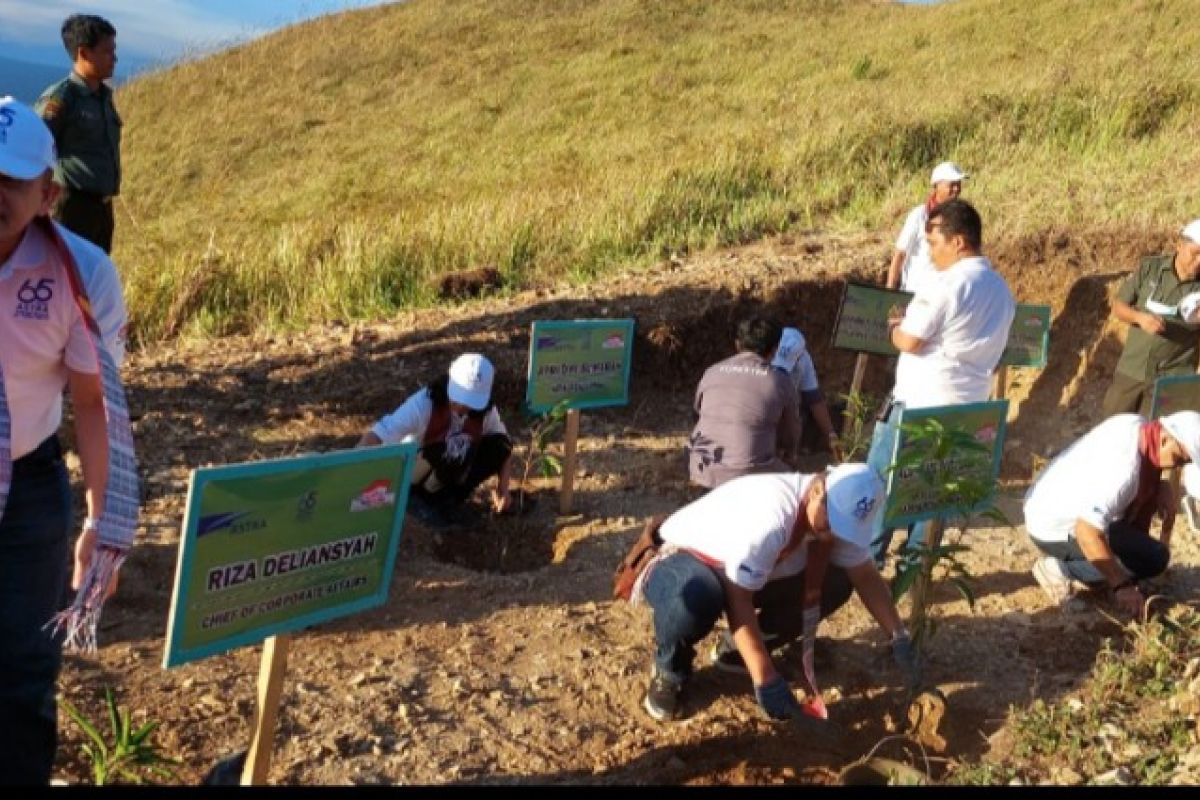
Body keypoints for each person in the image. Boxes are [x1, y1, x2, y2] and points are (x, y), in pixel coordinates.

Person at [1, 97, 137, 786]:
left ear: (47, 193)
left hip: (26, 485)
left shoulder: (80, 277)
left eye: (11, 179)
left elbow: (91, 400)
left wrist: (98, 518)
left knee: (26, 669)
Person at [632, 463, 918, 723]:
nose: (832, 532)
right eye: (831, 522)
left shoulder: (832, 516)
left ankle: (734, 653)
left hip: (743, 571)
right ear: (817, 489)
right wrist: (765, 678)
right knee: (697, 598)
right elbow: (738, 599)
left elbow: (865, 576)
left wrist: (898, 635)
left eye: (843, 527)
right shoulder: (772, 519)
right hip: (680, 561)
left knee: (838, 581)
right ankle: (669, 670)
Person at [868, 198, 1015, 566]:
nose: (930, 254)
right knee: (934, 495)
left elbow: (910, 340)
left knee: (881, 486)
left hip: (919, 404)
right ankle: (916, 568)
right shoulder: (1001, 290)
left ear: (959, 241)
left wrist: (894, 327)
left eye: (934, 243)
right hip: (966, 406)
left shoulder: (944, 283)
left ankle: (867, 563)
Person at [1024, 411, 1200, 620]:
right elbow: (1086, 530)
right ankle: (1059, 569)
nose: (1177, 466)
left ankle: (1099, 570)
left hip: (1052, 503)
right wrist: (1121, 585)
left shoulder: (1139, 427)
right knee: (1148, 561)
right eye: (1180, 459)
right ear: (1164, 439)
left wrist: (1157, 485)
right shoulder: (1127, 472)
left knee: (1149, 555)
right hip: (1051, 526)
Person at [357, 353, 514, 525]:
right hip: (415, 472)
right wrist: (350, 476)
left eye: (469, 402)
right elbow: (378, 434)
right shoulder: (423, 404)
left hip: (450, 471)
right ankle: (413, 501)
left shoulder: (486, 412)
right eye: (459, 397)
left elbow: (504, 446)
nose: (461, 406)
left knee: (495, 446)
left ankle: (447, 500)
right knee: (444, 449)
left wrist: (503, 490)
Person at [34, 14, 122, 254]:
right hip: (71, 209)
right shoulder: (61, 98)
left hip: (102, 209)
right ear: (84, 53)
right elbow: (35, 150)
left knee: (94, 281)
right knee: (67, 280)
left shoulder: (104, 97)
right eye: (107, 51)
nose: (114, 58)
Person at [687, 316, 801, 490]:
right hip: (749, 475)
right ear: (776, 349)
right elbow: (790, 435)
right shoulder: (780, 381)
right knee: (793, 481)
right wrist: (790, 455)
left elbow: (697, 414)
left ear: (738, 344)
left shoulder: (711, 372)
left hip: (702, 469)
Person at [1100, 220, 1200, 419]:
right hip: (1132, 370)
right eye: (1195, 253)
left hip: (1171, 381)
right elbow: (1118, 307)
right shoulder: (1150, 268)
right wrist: (1139, 318)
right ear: (1179, 245)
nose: (1199, 262)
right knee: (1112, 429)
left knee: (1151, 439)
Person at [885, 162, 967, 294]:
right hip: (914, 293)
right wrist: (888, 293)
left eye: (958, 184)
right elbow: (899, 254)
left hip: (943, 296)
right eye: (952, 185)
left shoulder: (960, 218)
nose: (956, 189)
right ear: (937, 187)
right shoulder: (919, 215)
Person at [771, 326, 842, 462]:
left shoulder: (804, 359)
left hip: (787, 410)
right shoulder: (763, 358)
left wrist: (831, 434)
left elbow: (813, 398)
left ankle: (788, 456)